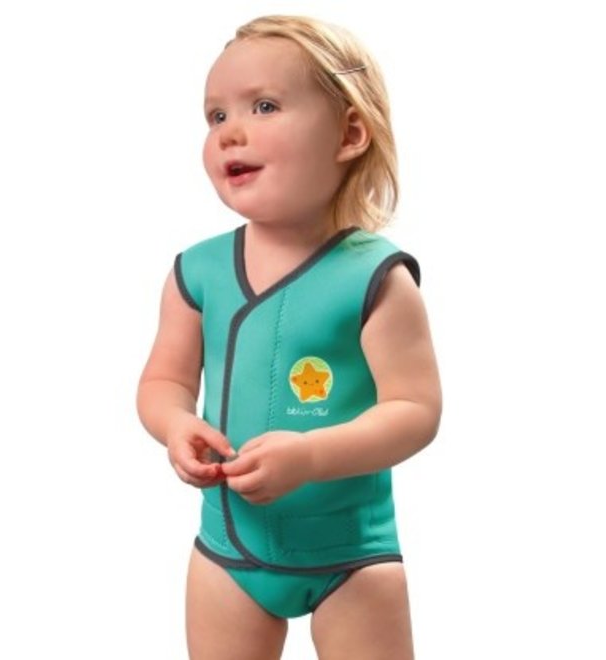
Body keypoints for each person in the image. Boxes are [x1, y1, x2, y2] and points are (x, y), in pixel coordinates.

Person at [136, 14, 442, 660]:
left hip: (352, 559)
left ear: (349, 133)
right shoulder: (197, 272)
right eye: (216, 115)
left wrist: (310, 457)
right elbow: (163, 380)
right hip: (228, 552)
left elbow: (416, 411)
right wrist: (175, 425)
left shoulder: (376, 278)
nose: (230, 132)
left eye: (265, 106)